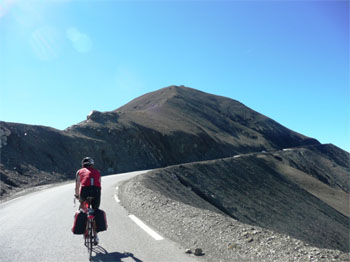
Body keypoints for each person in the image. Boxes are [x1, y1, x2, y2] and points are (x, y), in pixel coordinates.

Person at [75, 157, 101, 245]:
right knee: (94, 211)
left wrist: (77, 196)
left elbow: (77, 185)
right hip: (96, 192)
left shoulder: (79, 171)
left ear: (83, 164)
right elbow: (99, 183)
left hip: (84, 192)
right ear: (92, 164)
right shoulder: (97, 171)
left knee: (83, 209)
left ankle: (84, 228)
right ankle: (96, 236)